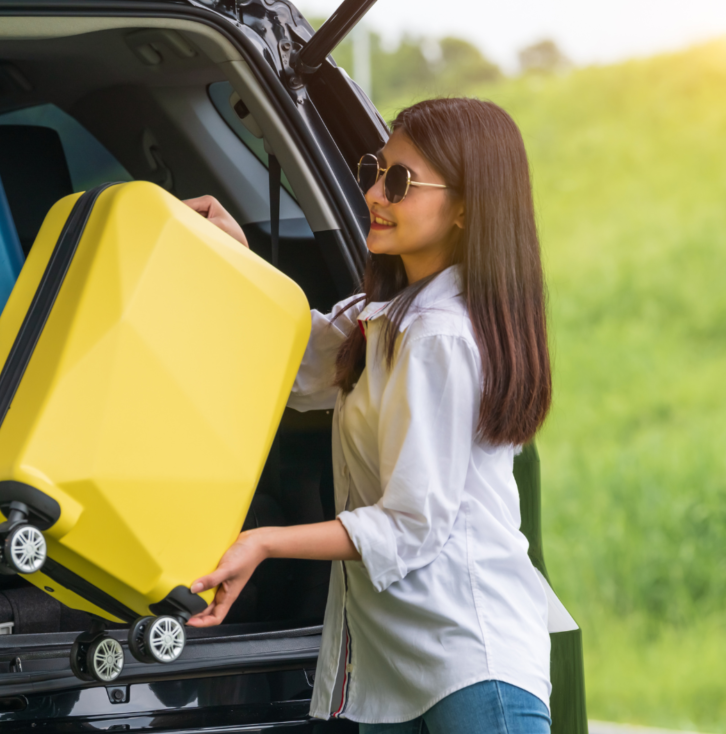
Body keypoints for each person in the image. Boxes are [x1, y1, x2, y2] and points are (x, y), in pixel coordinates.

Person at [183, 97, 553, 734]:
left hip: (470, 666)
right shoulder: (383, 316)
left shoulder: (438, 333)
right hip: (400, 671)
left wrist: (265, 542)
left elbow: (410, 526)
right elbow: (290, 361)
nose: (375, 194)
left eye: (401, 181)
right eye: (374, 172)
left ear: (466, 206)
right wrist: (234, 256)